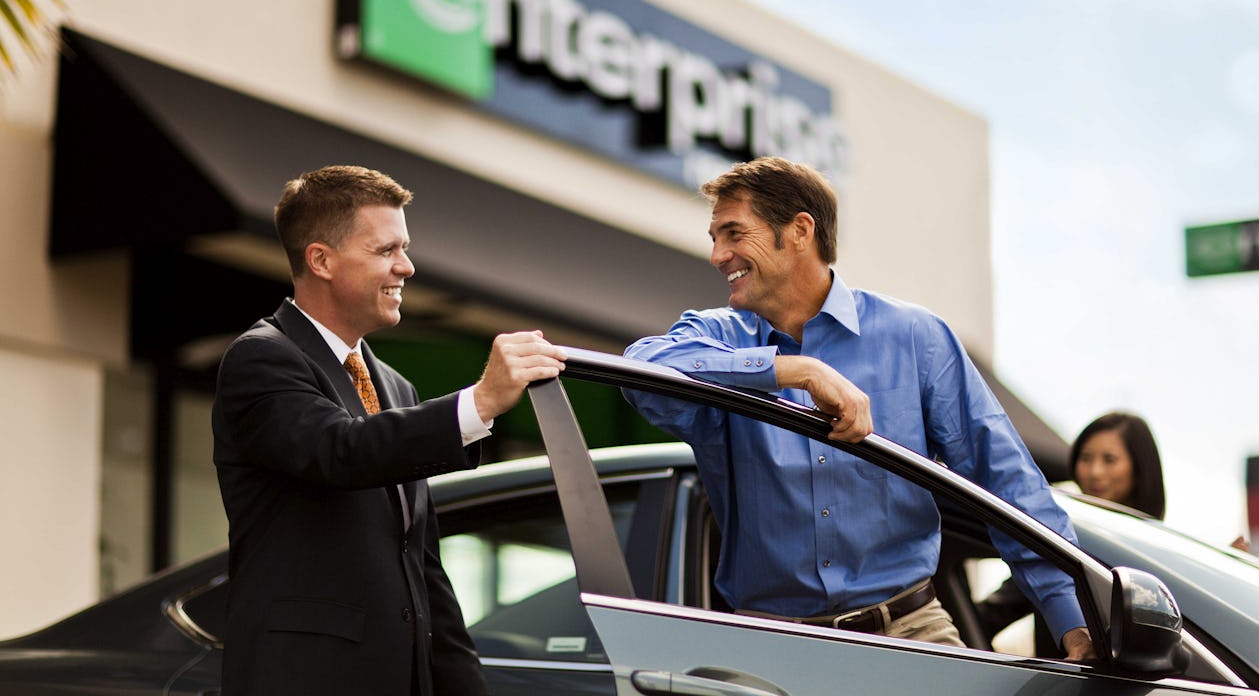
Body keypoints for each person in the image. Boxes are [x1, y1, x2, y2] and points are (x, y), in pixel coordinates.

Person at [623, 156, 1095, 659]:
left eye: (734, 233)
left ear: (800, 230)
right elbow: (643, 368)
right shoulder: (716, 335)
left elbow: (1007, 483)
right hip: (771, 652)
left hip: (912, 638)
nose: (718, 255)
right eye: (714, 237)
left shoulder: (915, 338)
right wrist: (798, 370)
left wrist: (1074, 619)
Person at [212, 165, 566, 696]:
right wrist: (481, 401)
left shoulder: (396, 388)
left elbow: (422, 568)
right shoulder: (261, 358)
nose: (407, 266)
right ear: (321, 260)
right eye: (386, 250)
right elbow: (340, 451)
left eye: (404, 248)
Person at [977, 411, 1165, 654]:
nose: (1095, 472)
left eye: (1109, 459)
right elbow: (994, 613)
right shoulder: (1064, 543)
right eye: (1086, 458)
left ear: (1139, 469)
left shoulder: (1158, 557)